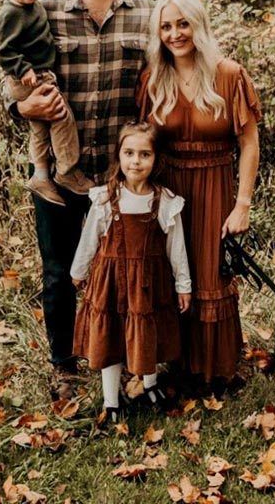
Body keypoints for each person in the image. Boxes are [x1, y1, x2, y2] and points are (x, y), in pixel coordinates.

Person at [4, 0, 152, 398]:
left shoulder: (148, 14)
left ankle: (132, 361)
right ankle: (64, 367)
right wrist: (23, 106)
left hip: (121, 175)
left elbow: (165, 84)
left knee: (129, 270)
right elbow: (8, 78)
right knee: (58, 272)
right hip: (58, 174)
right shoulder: (43, 11)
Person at [137, 0, 261, 394]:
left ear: (199, 25)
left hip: (213, 187)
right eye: (166, 26)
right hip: (168, 191)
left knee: (210, 274)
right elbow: (142, 143)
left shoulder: (228, 74)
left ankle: (216, 370)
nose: (175, 34)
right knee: (172, 274)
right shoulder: (154, 79)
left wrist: (242, 204)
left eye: (183, 23)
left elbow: (248, 143)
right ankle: (176, 368)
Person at [70, 122, 191, 424]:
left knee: (146, 334)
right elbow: (90, 239)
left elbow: (177, 247)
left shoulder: (164, 201)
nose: (135, 161)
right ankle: (111, 401)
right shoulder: (106, 198)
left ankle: (150, 385)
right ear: (119, 156)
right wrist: (78, 271)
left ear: (156, 159)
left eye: (144, 154)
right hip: (110, 281)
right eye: (129, 153)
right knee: (110, 338)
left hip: (149, 284)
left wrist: (183, 284)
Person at [0, 0, 93, 206]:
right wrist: (23, 68)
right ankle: (67, 171)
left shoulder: (35, 8)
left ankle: (41, 174)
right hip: (29, 78)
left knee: (41, 127)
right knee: (61, 117)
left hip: (39, 74)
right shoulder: (11, 12)